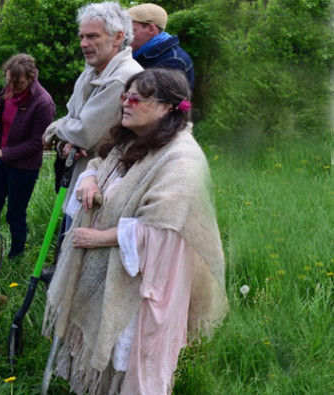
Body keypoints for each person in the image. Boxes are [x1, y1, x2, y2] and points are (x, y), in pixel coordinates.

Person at [43, 68, 227, 394]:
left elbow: (163, 229)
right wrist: (87, 178)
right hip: (105, 268)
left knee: (126, 356)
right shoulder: (133, 138)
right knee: (98, 345)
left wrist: (99, 238)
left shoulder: (182, 159)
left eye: (137, 99)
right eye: (125, 97)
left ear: (168, 107)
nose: (126, 104)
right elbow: (102, 163)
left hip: (140, 284)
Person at [44, 1, 143, 229]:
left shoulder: (123, 78)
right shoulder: (91, 71)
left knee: (85, 249)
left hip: (106, 182)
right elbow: (72, 117)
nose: (83, 44)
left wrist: (55, 130)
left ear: (118, 38)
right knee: (69, 241)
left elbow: (85, 134)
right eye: (81, 37)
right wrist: (67, 140)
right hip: (82, 176)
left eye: (92, 37)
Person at [0, 54, 57, 259]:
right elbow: (2, 106)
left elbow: (38, 142)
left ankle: (16, 255)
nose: (12, 87)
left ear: (31, 78)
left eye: (18, 83)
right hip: (4, 162)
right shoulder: (10, 87)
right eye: (9, 82)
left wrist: (4, 152)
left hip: (24, 166)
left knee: (15, 212)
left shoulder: (43, 103)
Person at [127, 3, 195, 91]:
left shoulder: (173, 62)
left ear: (151, 29)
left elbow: (156, 100)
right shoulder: (144, 53)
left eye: (131, 30)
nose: (126, 35)